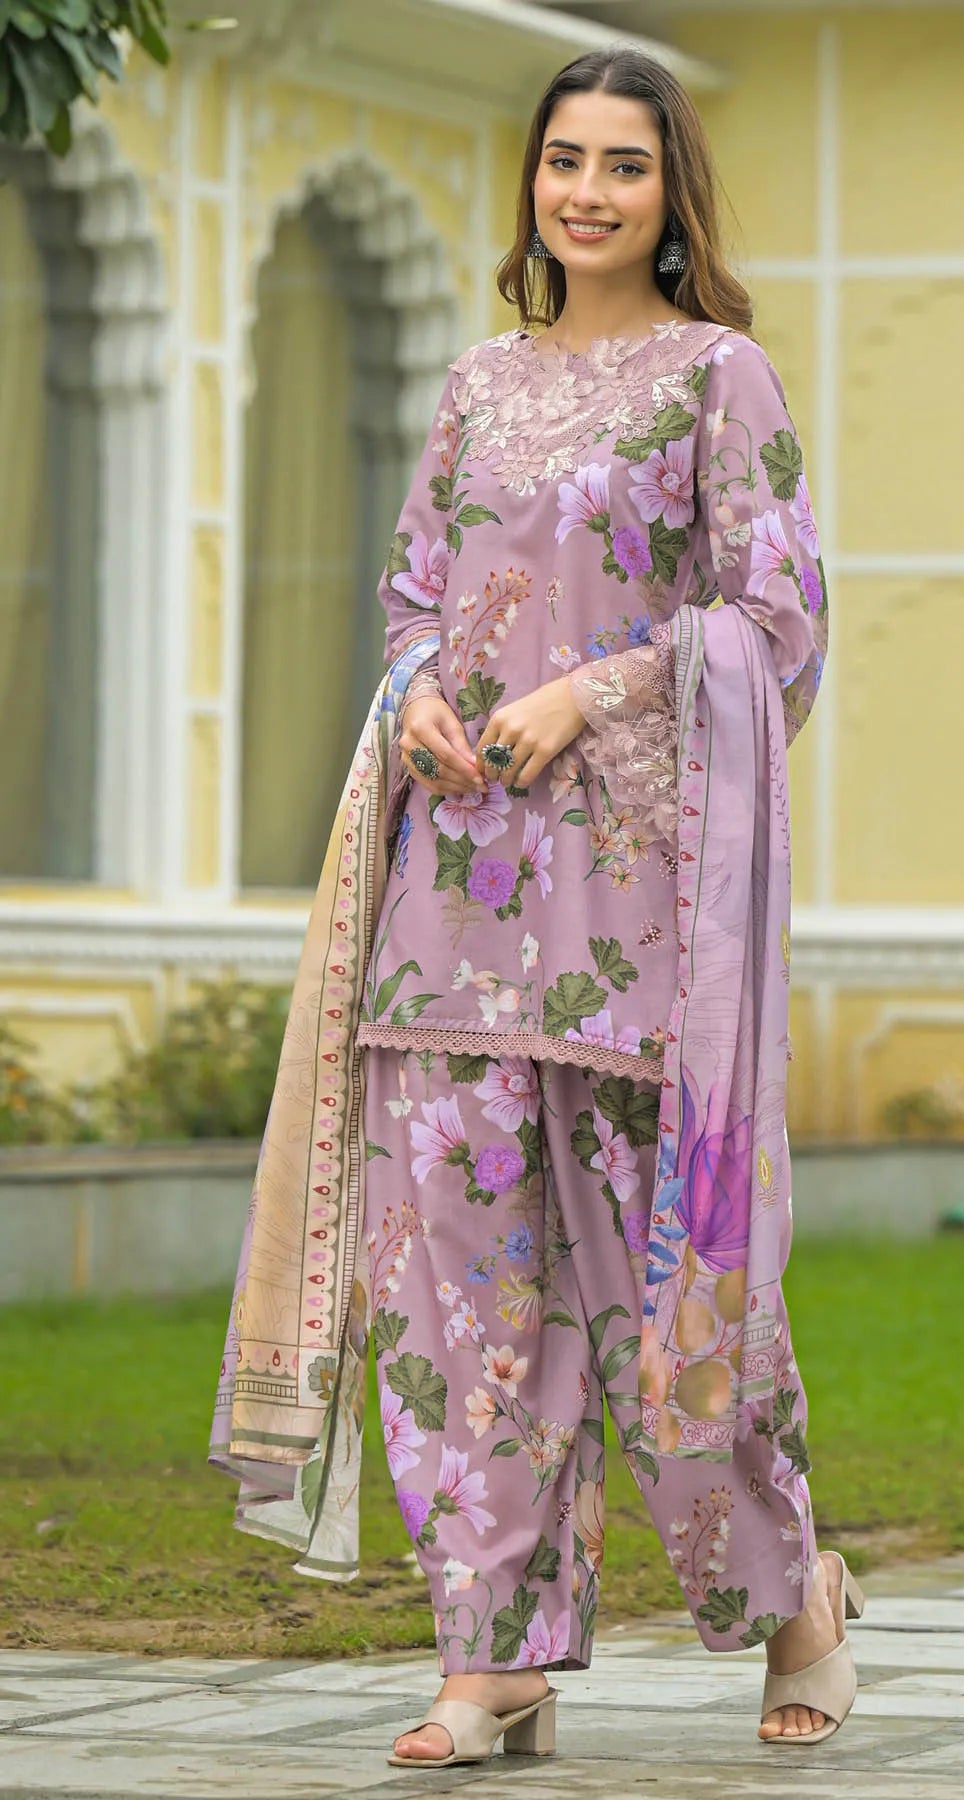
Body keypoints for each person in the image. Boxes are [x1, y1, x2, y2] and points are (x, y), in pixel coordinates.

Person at [210, 44, 859, 1771]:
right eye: (563, 160)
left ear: (672, 192)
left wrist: (597, 692)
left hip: (637, 921)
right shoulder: (477, 384)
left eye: (623, 166)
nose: (586, 191)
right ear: (534, 183)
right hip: (454, 903)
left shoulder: (723, 378)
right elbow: (416, 586)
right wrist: (417, 683)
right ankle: (490, 1658)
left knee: (675, 1290)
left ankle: (795, 1596)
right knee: (456, 1296)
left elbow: (777, 629)